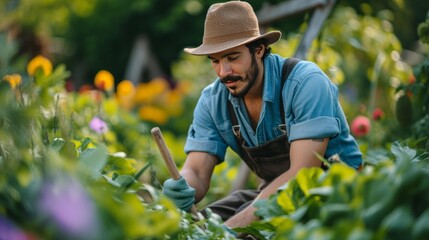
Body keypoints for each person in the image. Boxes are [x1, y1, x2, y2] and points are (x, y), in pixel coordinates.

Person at [162, 0, 362, 230]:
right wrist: (183, 184)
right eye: (215, 61)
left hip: (335, 196)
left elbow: (302, 176)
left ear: (258, 50)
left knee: (233, 227)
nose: (223, 72)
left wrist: (232, 228)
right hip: (271, 195)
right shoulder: (213, 101)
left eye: (232, 57)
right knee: (199, 225)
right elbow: (197, 171)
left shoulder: (305, 83)